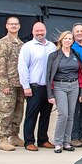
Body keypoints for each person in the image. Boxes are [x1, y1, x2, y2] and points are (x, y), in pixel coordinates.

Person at [18, 21, 57, 151]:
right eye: (37, 31)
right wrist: (26, 86)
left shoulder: (52, 46)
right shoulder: (28, 47)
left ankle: (43, 139)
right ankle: (29, 141)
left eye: (42, 30)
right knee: (32, 115)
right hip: (34, 87)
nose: (40, 33)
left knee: (46, 115)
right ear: (33, 32)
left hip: (48, 87)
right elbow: (22, 67)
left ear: (45, 31)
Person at [46, 31, 82, 153]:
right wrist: (50, 94)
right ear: (61, 40)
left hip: (74, 86)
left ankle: (66, 142)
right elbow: (48, 75)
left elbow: (81, 73)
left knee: (71, 114)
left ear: (73, 41)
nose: (67, 41)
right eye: (65, 38)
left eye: (70, 39)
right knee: (63, 114)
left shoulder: (75, 54)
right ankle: (58, 142)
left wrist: (81, 91)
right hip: (60, 86)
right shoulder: (54, 56)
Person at [0, 16, 25, 152]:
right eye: (11, 24)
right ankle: (3, 138)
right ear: (6, 26)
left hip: (19, 84)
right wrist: (4, 84)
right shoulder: (3, 43)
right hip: (8, 84)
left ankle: (14, 136)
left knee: (18, 111)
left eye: (16, 24)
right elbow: (0, 65)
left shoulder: (21, 44)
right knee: (5, 111)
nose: (13, 26)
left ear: (19, 26)